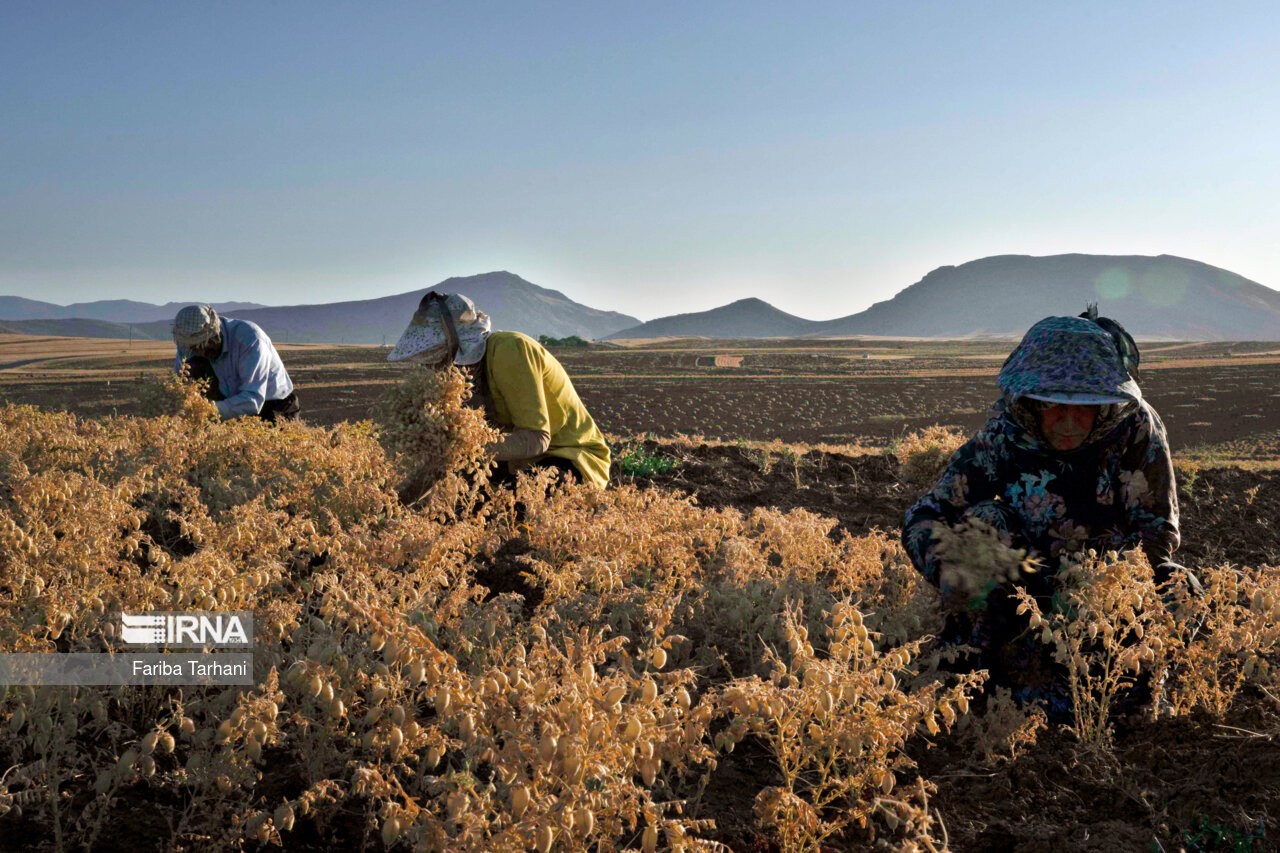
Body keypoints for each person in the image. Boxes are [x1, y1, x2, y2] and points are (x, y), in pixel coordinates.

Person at [901, 307, 1198, 712]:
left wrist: (1092, 596)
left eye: (1083, 406)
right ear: (1030, 403)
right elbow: (927, 514)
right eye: (1053, 405)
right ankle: (981, 675)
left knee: (1180, 588)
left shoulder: (1135, 428)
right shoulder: (1007, 432)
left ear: (1106, 403)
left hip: (1106, 593)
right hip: (1023, 592)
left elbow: (1156, 531)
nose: (1069, 422)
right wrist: (952, 571)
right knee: (984, 523)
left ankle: (1128, 688)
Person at [387, 291, 611, 487]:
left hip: (570, 459)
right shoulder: (462, 381)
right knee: (463, 503)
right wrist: (392, 506)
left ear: (457, 345)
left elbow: (537, 440)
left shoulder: (511, 350)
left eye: (438, 359)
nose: (437, 369)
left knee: (522, 501)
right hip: (517, 464)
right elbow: (448, 459)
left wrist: (465, 449)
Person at [171, 304, 300, 422]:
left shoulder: (250, 339)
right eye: (194, 348)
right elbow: (179, 387)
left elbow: (252, 399)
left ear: (216, 334)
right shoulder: (187, 343)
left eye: (204, 345)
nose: (200, 352)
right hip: (228, 402)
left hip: (272, 404)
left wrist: (206, 410)